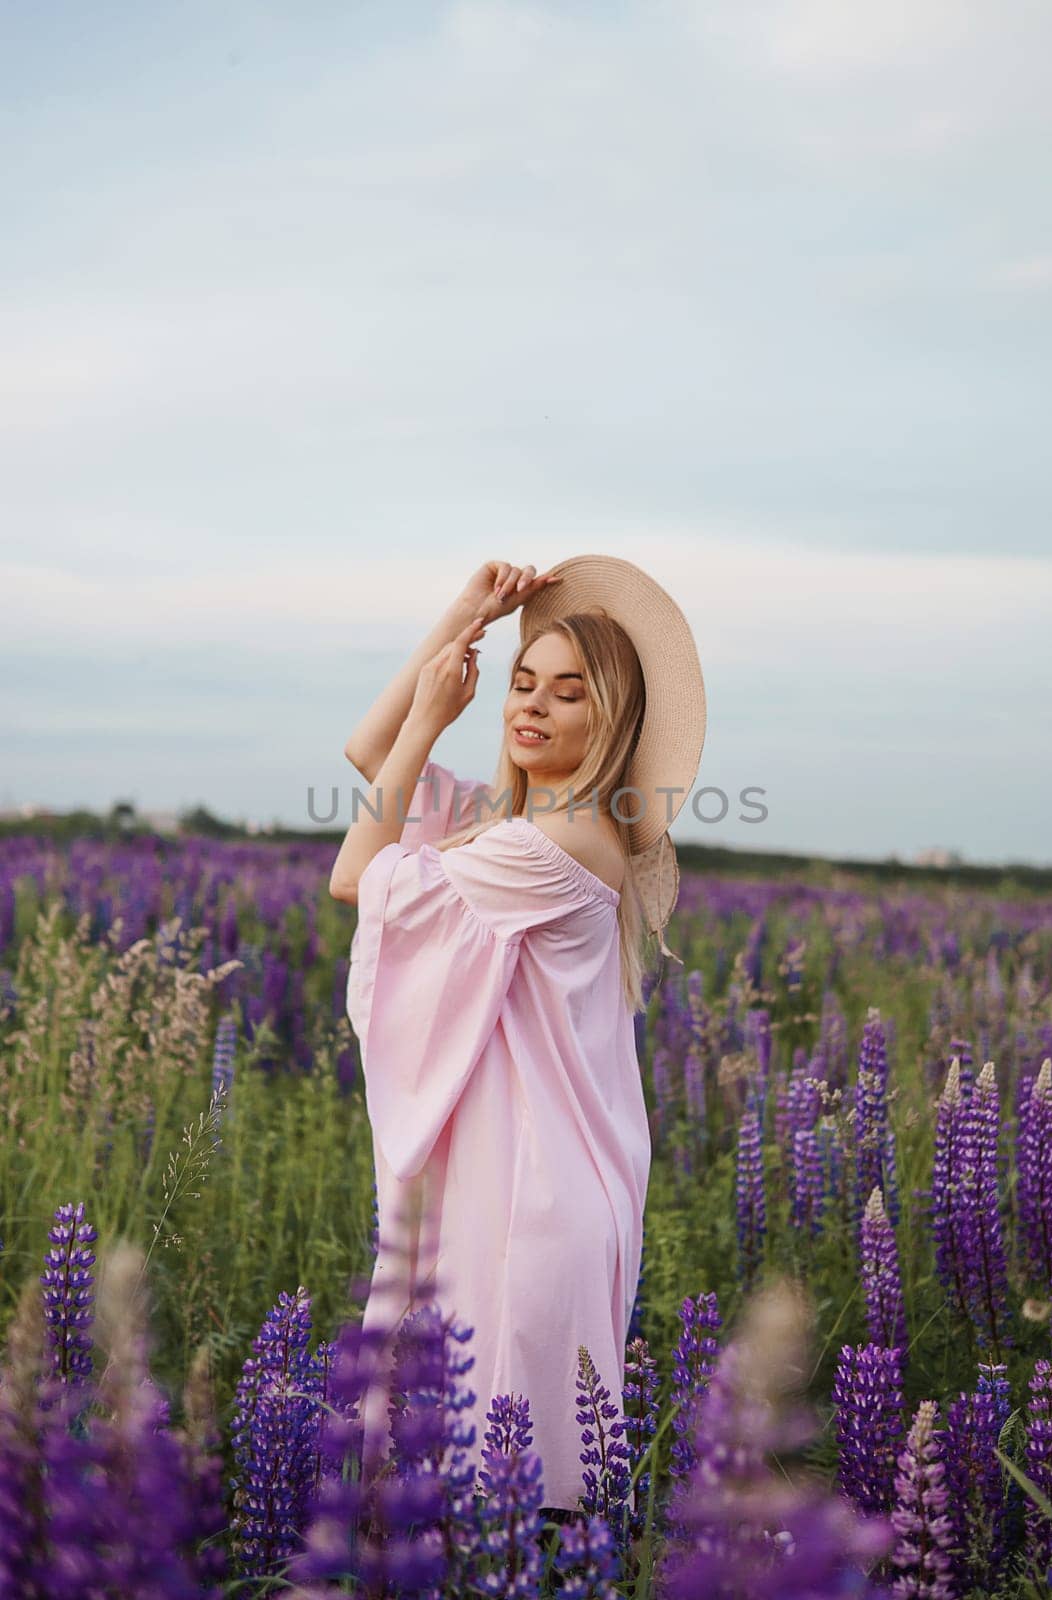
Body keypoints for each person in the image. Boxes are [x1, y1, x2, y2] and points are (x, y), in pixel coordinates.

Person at [329, 554, 707, 1515]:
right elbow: (370, 753)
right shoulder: (502, 824)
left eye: (567, 693)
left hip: (538, 1199)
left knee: (518, 1496)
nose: (530, 707)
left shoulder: (559, 843)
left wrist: (429, 719)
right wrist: (464, 615)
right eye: (520, 684)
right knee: (465, 1481)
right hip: (511, 1180)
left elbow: (354, 877)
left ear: (611, 719)